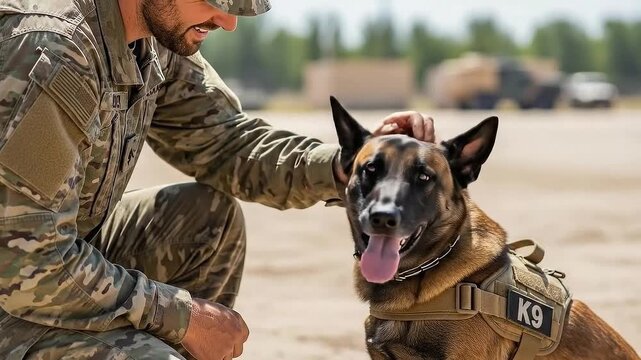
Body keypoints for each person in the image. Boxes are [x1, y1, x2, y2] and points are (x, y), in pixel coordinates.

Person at [0, 0, 435, 359]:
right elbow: (20, 259)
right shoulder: (56, 52)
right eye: (216, 0)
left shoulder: (152, 40)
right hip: (16, 278)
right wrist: (178, 315)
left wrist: (352, 164)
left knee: (204, 219)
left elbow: (228, 143)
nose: (227, 22)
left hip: (42, 264)